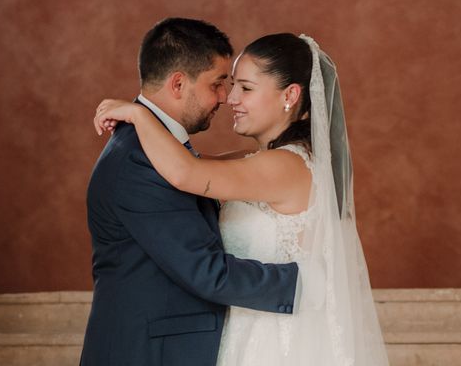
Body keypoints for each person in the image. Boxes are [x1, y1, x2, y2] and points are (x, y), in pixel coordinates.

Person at [94, 32, 390, 365]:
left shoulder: (285, 166)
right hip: (246, 325)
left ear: (290, 95)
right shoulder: (258, 160)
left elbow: (185, 173)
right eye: (230, 84)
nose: (230, 98)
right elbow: (192, 161)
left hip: (276, 338)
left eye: (245, 88)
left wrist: (138, 115)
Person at [80, 18, 300, 366]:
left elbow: (201, 170)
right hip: (147, 354)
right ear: (179, 83)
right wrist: (306, 283)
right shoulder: (139, 160)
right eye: (218, 84)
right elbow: (206, 271)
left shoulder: (157, 149)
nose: (225, 98)